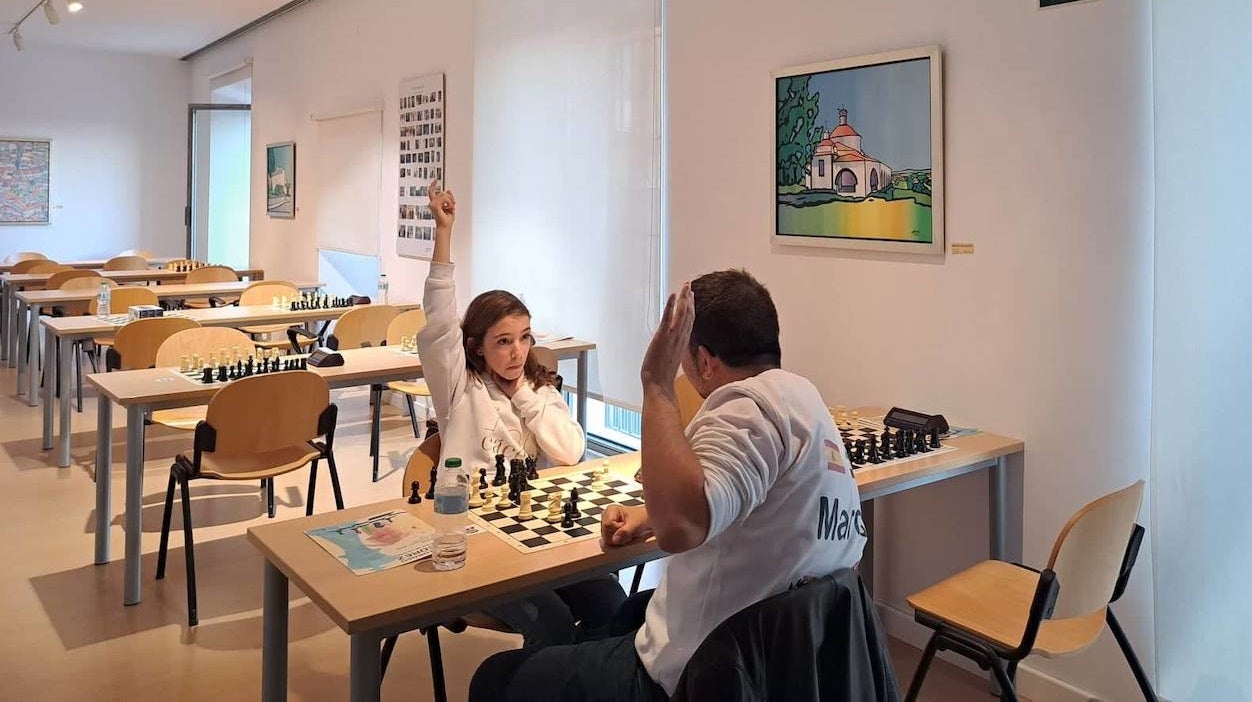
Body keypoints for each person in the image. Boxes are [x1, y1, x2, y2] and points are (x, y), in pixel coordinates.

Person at [469, 270, 868, 701]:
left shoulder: (743, 411)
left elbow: (681, 528)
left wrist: (657, 385)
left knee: (497, 676)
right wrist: (647, 516)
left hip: (711, 668)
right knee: (623, 614)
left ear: (705, 361)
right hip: (787, 656)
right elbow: (752, 502)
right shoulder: (803, 399)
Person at [417, 180, 626, 647]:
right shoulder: (459, 387)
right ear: (476, 346)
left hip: (537, 528)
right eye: (503, 341)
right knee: (552, 624)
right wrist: (443, 233)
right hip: (478, 533)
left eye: (525, 338)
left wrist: (526, 397)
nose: (517, 351)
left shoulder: (539, 388)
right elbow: (440, 319)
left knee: (613, 606)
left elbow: (569, 452)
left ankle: (591, 677)